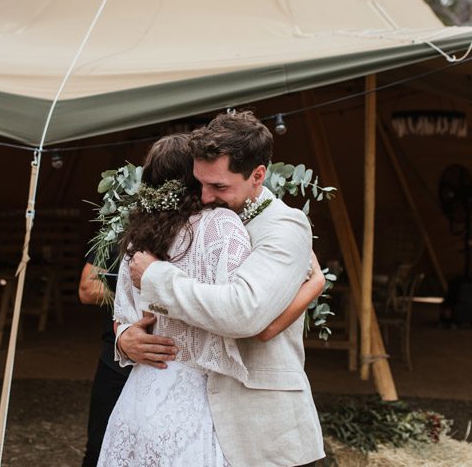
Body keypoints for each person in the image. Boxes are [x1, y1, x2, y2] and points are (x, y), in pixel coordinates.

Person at [98, 133, 324, 466]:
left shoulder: (281, 225)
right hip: (187, 405)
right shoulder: (216, 221)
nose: (206, 196)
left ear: (257, 176)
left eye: (218, 187)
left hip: (250, 416)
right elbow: (128, 315)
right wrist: (122, 337)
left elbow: (245, 314)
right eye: (200, 184)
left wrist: (315, 284)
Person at [76, 254, 130, 467]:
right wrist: (132, 293)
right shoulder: (116, 226)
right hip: (115, 360)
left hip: (169, 363)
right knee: (98, 449)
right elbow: (86, 289)